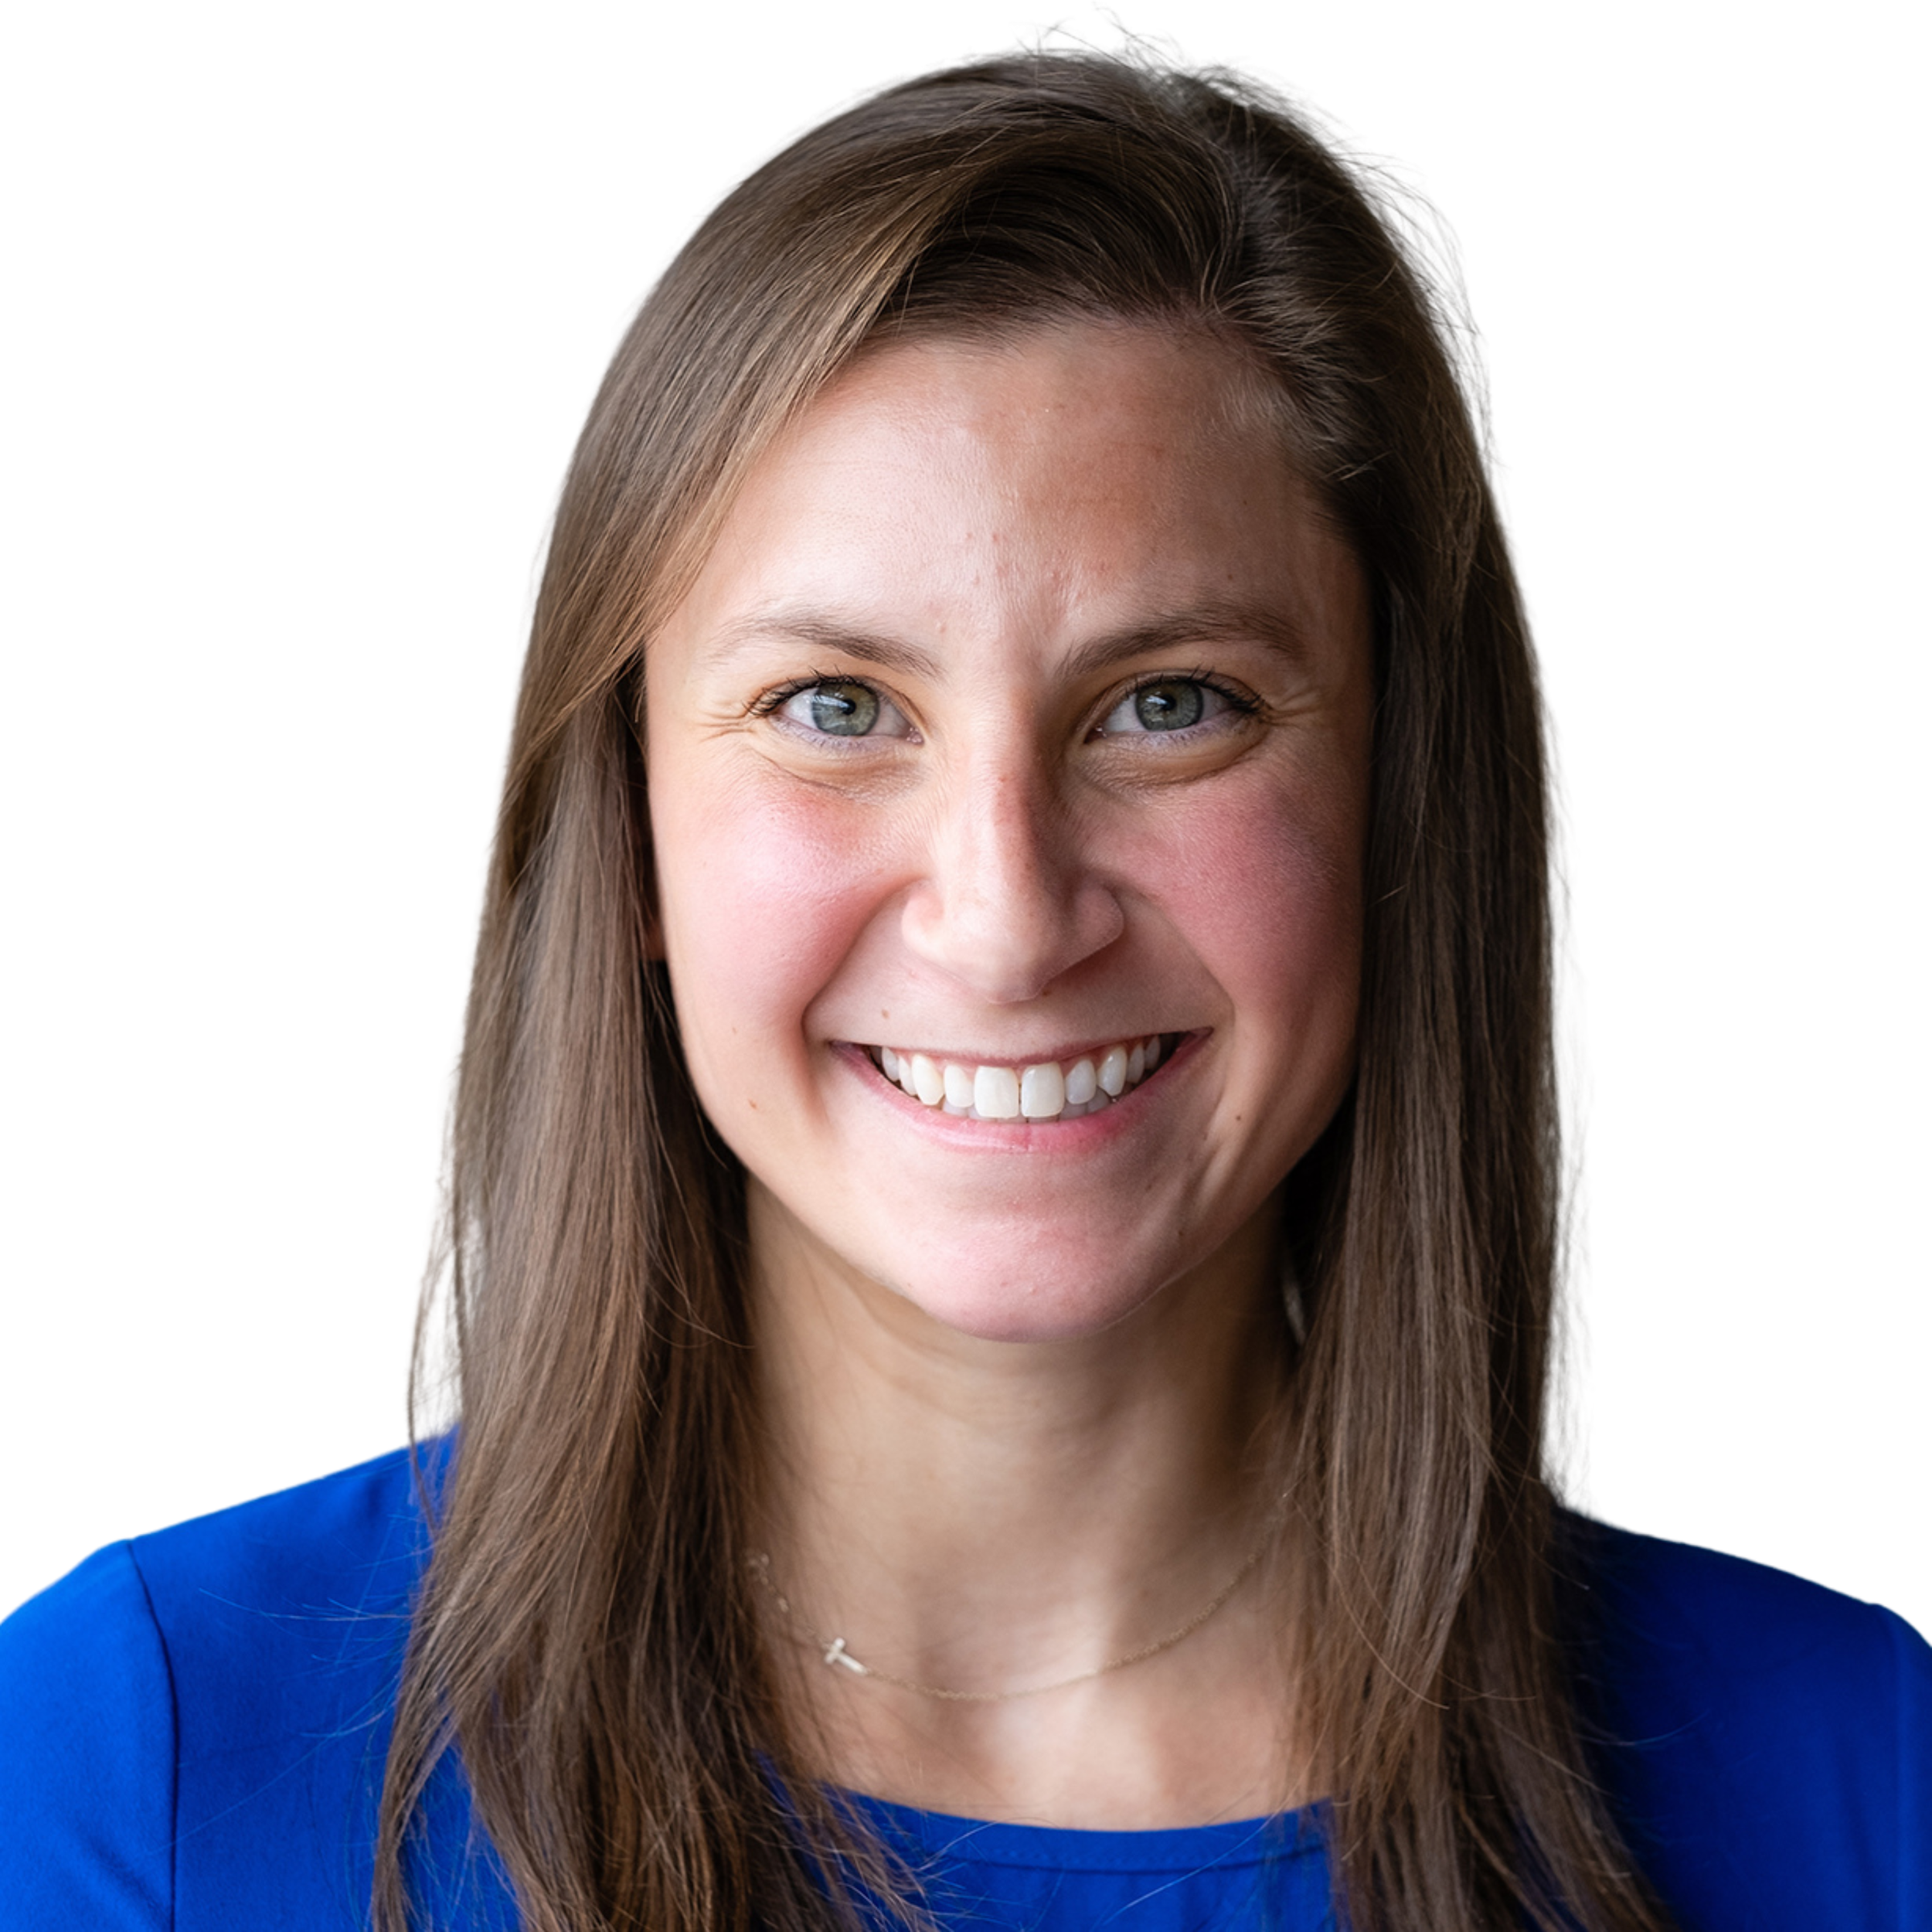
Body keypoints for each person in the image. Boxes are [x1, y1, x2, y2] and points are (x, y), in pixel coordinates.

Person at [3, 21, 1923, 1932]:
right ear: (634, 836)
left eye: (1170, 705)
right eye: (834, 705)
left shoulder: (1869, 1781)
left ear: (1404, 808)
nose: (1005, 919)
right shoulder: (142, 1754)